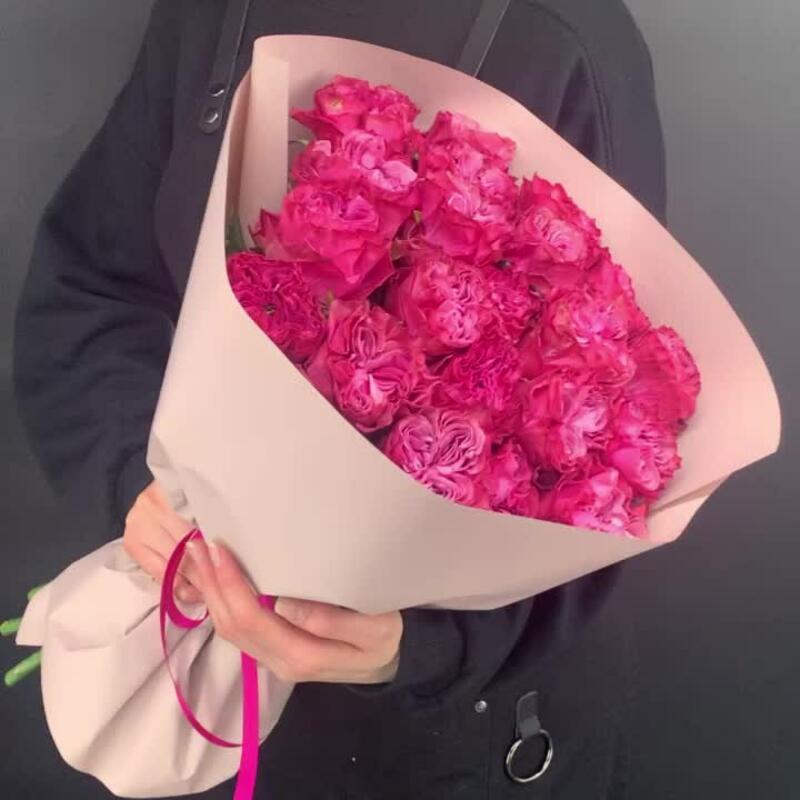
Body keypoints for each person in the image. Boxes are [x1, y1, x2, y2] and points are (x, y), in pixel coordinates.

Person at [14, 1, 666, 797]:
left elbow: (615, 447)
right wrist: (141, 480)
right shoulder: (207, 12)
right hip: (207, 676)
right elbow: (94, 285)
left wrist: (419, 645)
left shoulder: (565, 42)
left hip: (439, 741)